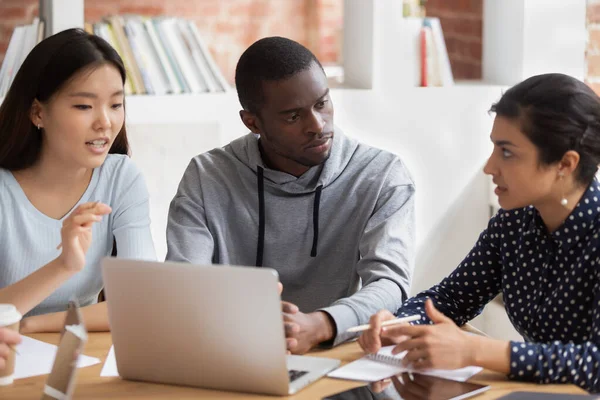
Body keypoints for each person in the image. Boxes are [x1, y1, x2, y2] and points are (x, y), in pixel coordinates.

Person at [166, 36, 415, 353]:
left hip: (337, 355)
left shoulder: (381, 175)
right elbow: (184, 282)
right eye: (293, 116)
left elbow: (391, 284)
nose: (317, 125)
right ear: (252, 122)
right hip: (231, 354)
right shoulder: (207, 176)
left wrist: (322, 324)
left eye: (322, 103)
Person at [358, 73, 600, 392]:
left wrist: (474, 350)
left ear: (565, 164)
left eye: (507, 152)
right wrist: (401, 325)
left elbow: (595, 363)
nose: (489, 166)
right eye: (494, 149)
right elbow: (450, 298)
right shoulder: (512, 225)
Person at [0, 28, 155, 333]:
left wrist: (30, 325)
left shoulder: (121, 178)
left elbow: (141, 301)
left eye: (115, 104)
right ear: (37, 113)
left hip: (78, 354)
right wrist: (64, 266)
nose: (105, 122)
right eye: (84, 106)